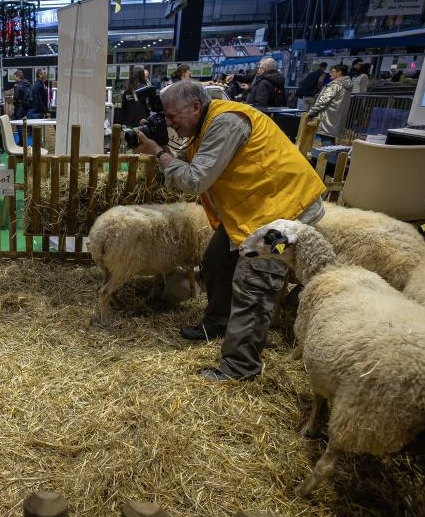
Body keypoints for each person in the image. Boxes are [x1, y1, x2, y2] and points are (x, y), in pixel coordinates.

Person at [132, 81, 326, 382]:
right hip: (253, 214)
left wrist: (158, 152)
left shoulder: (227, 123)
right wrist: (166, 148)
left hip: (287, 218)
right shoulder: (205, 127)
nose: (168, 123)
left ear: (195, 107)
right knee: (216, 261)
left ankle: (240, 367)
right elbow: (188, 170)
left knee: (254, 282)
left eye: (171, 116)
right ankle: (219, 324)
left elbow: (195, 180)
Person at [307, 64, 353, 146]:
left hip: (327, 118)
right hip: (336, 118)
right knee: (330, 139)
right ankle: (331, 157)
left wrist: (311, 112)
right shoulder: (347, 85)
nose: (330, 74)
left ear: (339, 73)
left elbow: (323, 101)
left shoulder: (334, 85)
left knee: (326, 140)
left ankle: (327, 158)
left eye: (333, 72)